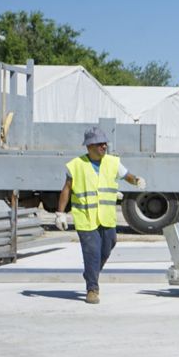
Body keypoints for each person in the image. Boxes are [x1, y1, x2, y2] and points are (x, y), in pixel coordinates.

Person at [54, 127, 145, 304]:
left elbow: (126, 176)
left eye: (105, 143)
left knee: (108, 247)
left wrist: (136, 180)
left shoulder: (112, 162)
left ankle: (91, 272)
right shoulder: (76, 165)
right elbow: (67, 189)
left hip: (106, 216)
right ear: (89, 146)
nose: (104, 146)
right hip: (85, 217)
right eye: (99, 144)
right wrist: (60, 213)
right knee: (92, 253)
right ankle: (92, 289)